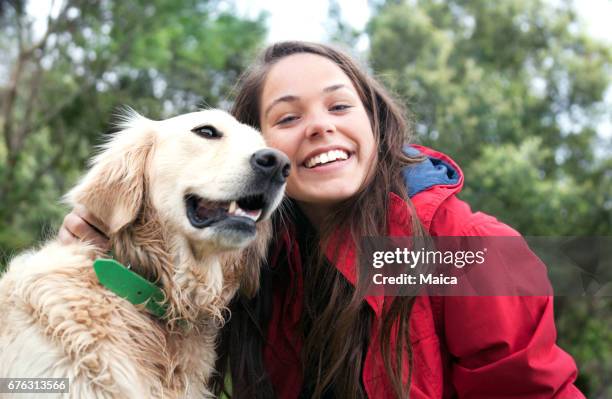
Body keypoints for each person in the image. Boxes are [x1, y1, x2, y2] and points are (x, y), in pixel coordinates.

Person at [60, 41, 585, 399]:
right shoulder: (246, 264)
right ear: (258, 153)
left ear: (374, 124)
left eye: (340, 107)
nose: (319, 128)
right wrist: (99, 261)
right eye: (287, 118)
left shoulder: (459, 250)